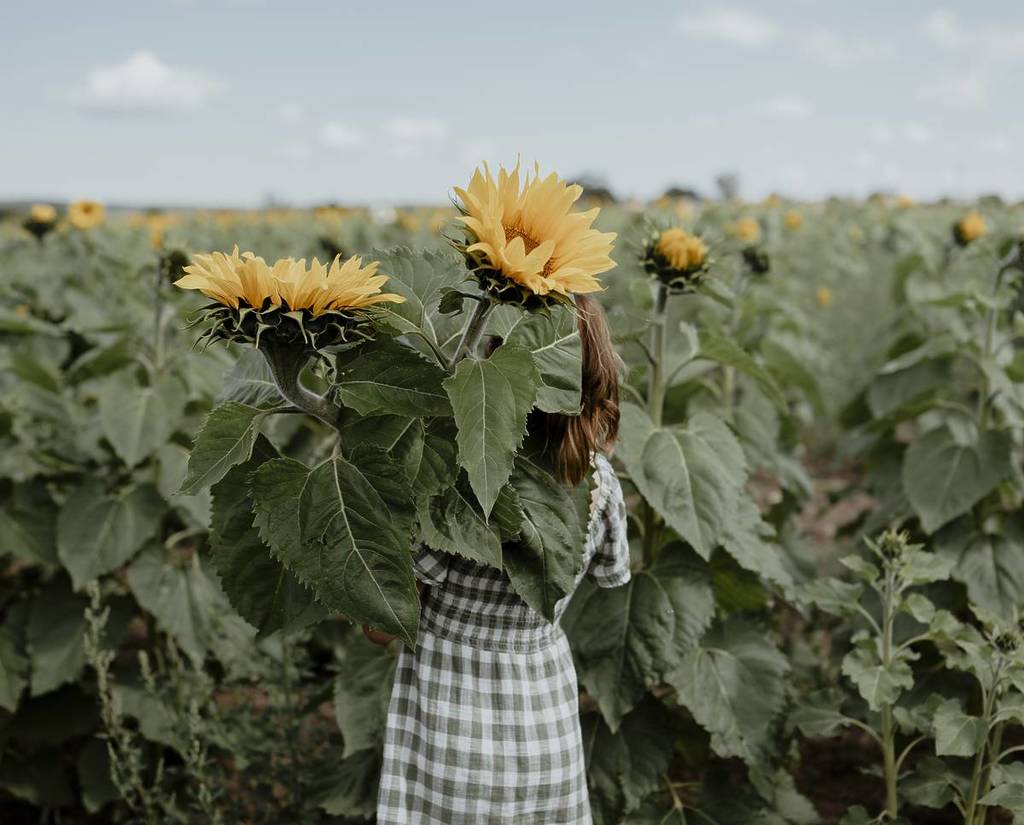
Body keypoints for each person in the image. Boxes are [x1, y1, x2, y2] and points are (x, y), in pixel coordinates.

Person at [369, 294, 632, 824]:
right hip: (544, 721)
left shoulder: (458, 488)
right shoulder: (598, 485)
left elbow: (383, 625)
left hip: (454, 724)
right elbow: (608, 573)